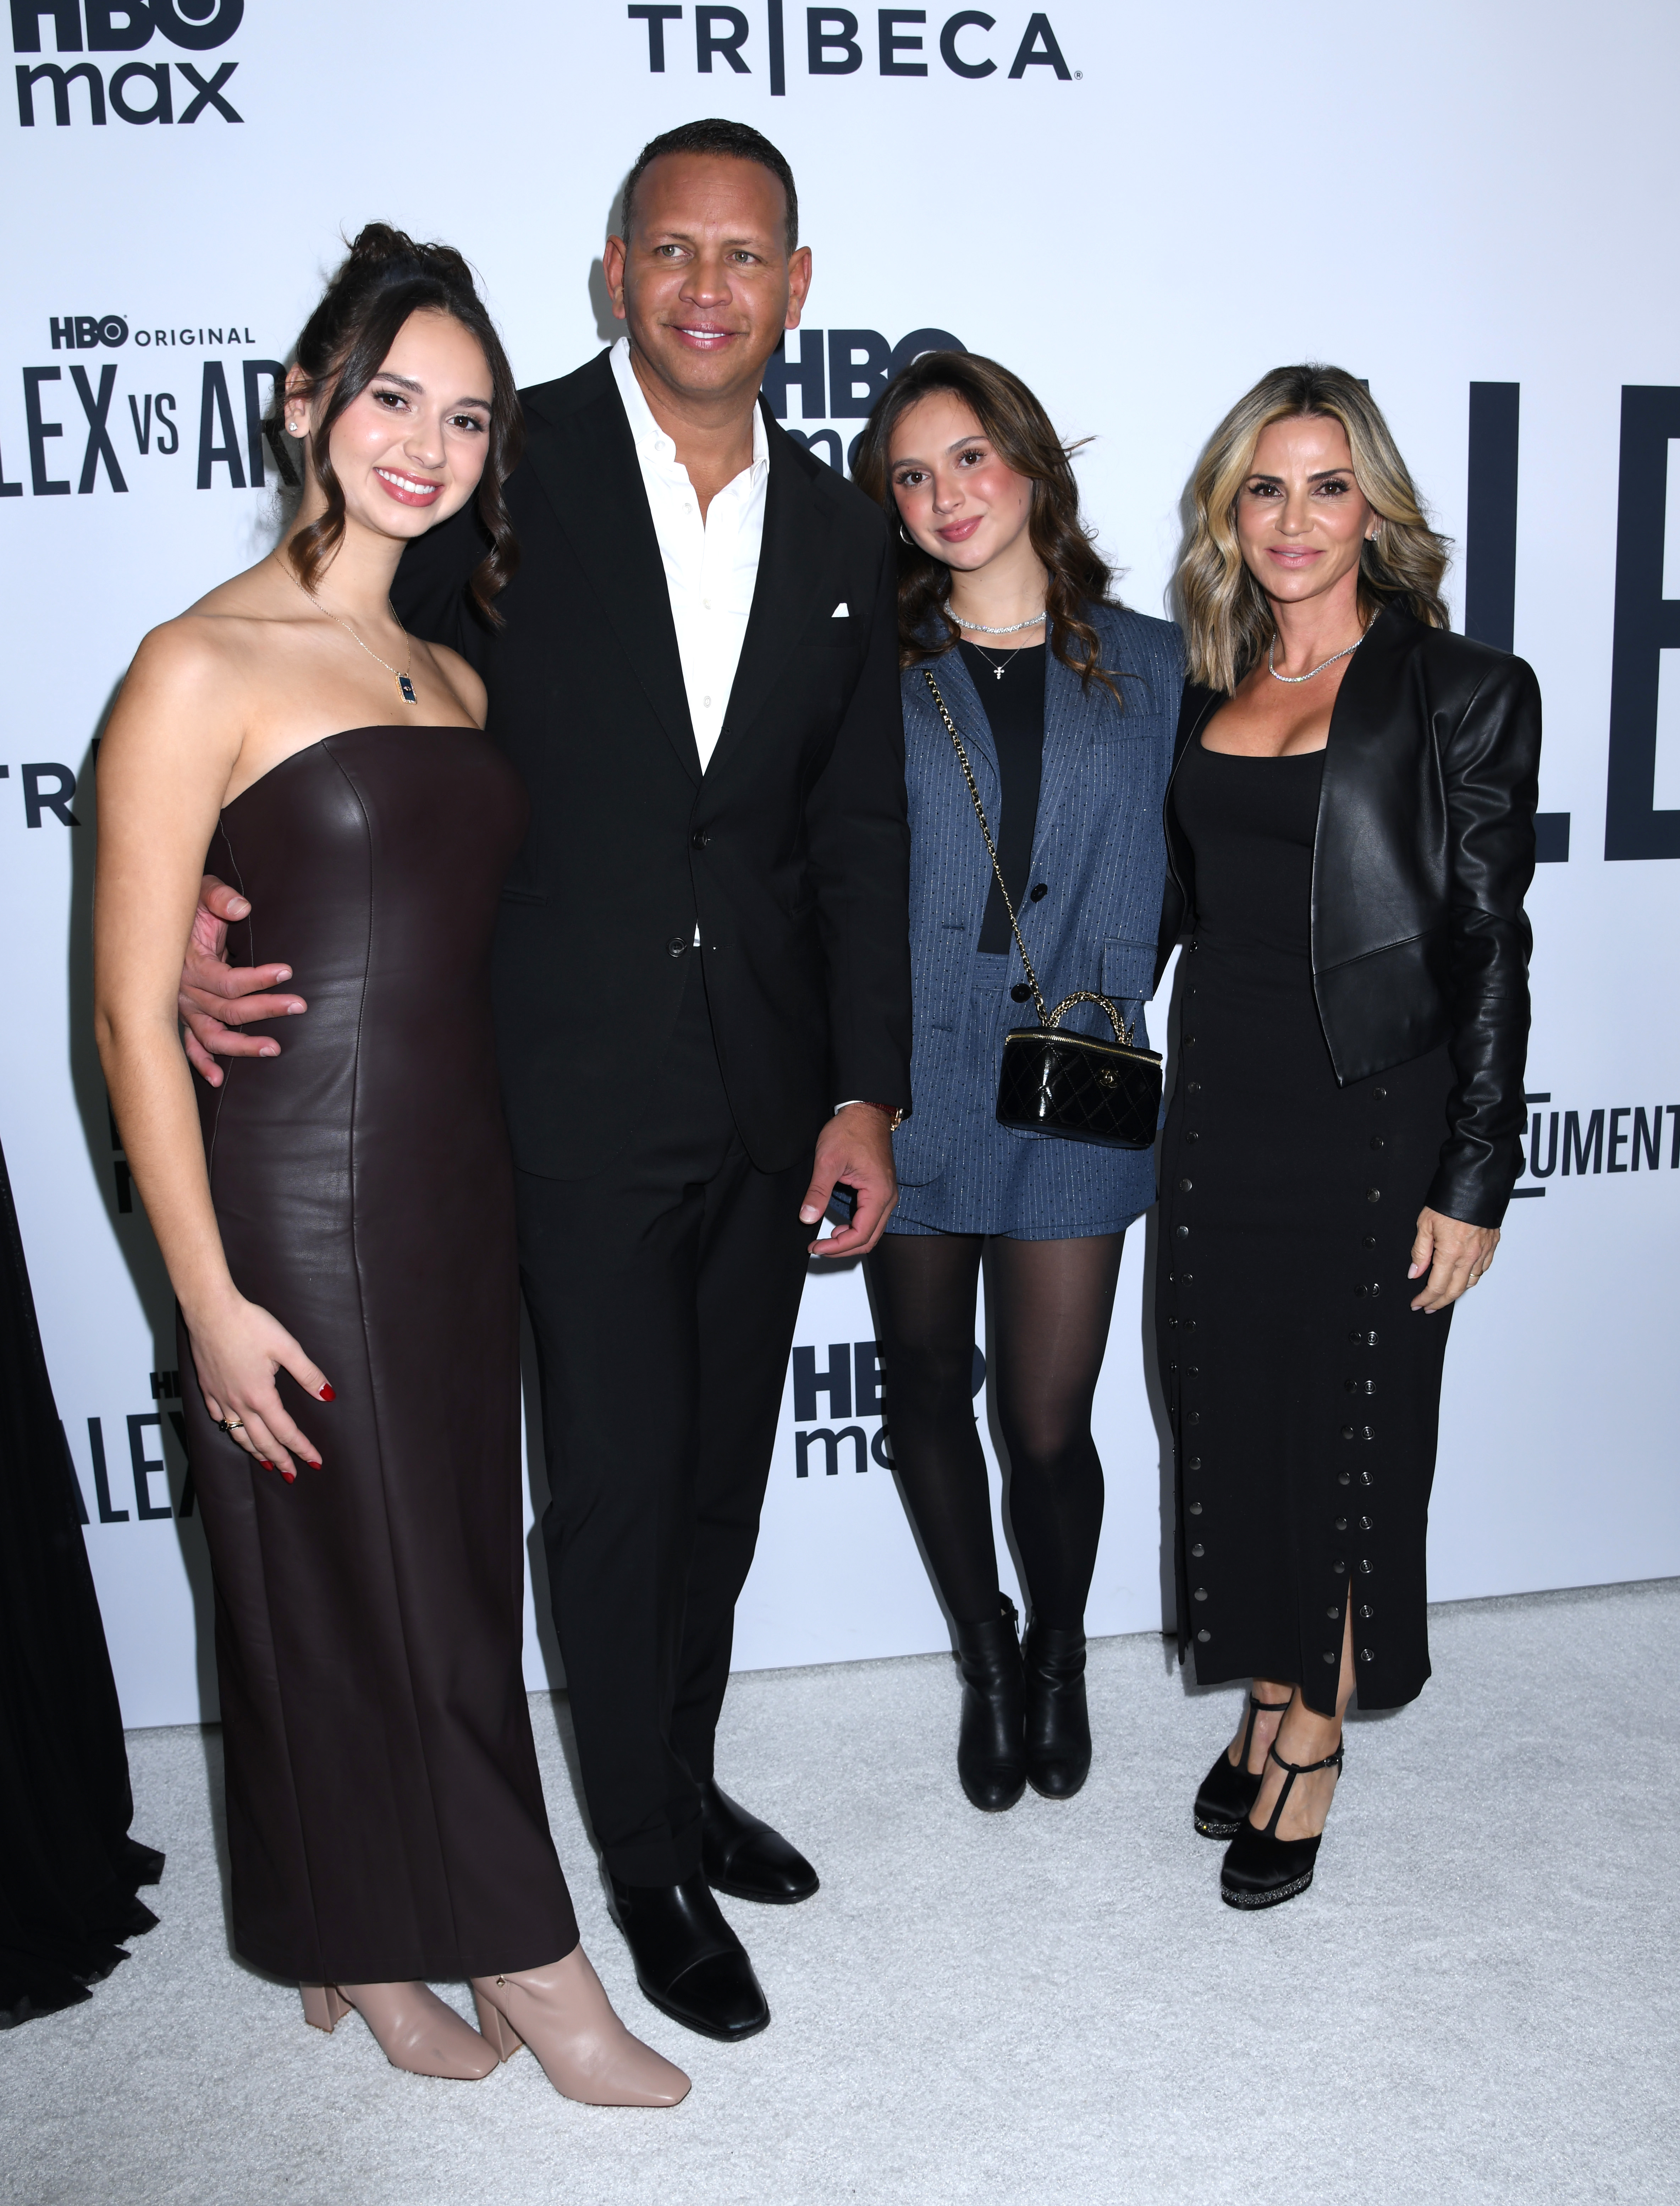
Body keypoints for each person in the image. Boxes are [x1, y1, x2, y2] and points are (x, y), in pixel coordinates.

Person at [175, 126, 911, 2043]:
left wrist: (867, 1092)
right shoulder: (511, 471)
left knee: (718, 1493)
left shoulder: (843, 533)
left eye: (743, 255)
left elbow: (855, 836)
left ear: (796, 286)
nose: (704, 286)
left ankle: (676, 1771)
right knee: (612, 1484)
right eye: (669, 249)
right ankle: (645, 1870)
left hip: (769, 1089)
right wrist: (193, 901)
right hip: (551, 1085)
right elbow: (327, 681)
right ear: (613, 271)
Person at [93, 226, 688, 2104]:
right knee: (378, 1583)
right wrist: (206, 1298)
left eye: (467, 416)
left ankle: (352, 1935)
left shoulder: (450, 666)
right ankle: (531, 1953)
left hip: (455, 1183)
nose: (426, 444)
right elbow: (126, 1020)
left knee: (408, 1574)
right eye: (391, 399)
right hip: (297, 1192)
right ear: (306, 404)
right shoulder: (199, 662)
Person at [1161, 364, 1539, 1908]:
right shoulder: (1210, 684)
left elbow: (1493, 945)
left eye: (1327, 485)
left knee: (1348, 1433)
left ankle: (1314, 1738)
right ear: (1229, 513)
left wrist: (1476, 1169)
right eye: (1265, 486)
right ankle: (1265, 1686)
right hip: (1218, 1108)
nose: (1295, 519)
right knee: (1231, 1414)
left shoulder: (1461, 690)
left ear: (1374, 507)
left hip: (1374, 1118)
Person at [851, 354, 1182, 1812]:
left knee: (1046, 1422)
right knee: (925, 1384)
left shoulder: (1161, 662)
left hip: (1079, 1078)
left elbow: (1213, 854)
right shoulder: (875, 666)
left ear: (1033, 464)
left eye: (969, 459)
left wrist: (1118, 963)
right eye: (912, 477)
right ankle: (983, 1654)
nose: (946, 497)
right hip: (912, 1078)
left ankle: (1057, 1652)